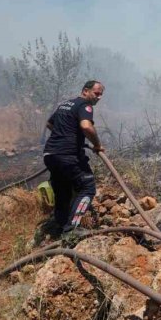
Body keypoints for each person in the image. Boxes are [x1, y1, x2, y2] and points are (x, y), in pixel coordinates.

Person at [41, 80, 105, 238]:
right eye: (96, 93)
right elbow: (86, 126)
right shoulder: (85, 105)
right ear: (85, 91)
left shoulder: (65, 104)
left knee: (62, 191)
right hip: (67, 155)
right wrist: (97, 145)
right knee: (88, 188)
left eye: (101, 94)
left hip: (50, 154)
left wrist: (65, 133)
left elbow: (50, 124)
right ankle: (71, 230)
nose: (99, 97)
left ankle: (60, 226)